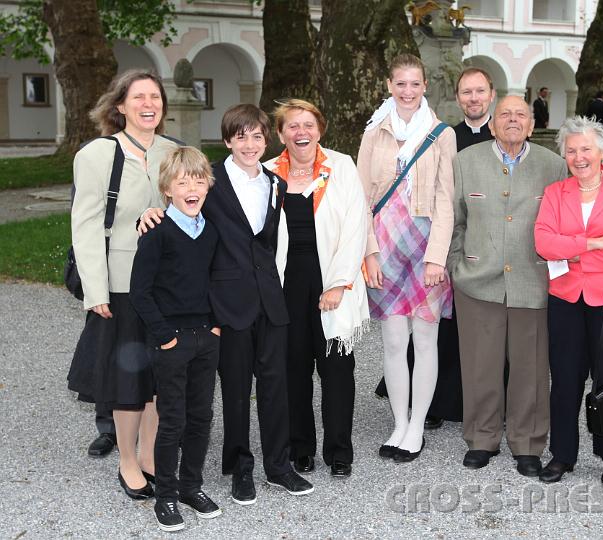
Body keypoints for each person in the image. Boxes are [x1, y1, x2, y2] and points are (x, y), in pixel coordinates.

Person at [139, 104, 313, 504]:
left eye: (256, 137)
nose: (249, 144)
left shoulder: (276, 183)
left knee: (275, 388)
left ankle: (278, 466)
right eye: (240, 137)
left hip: (271, 302)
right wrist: (150, 213)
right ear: (227, 141)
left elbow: (266, 243)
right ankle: (240, 467)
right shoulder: (211, 182)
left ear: (266, 140)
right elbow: (182, 205)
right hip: (228, 305)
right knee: (235, 391)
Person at [67, 69, 179, 499]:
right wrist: (96, 291)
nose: (149, 104)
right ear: (120, 106)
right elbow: (87, 227)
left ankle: (150, 455)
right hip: (122, 282)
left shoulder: (174, 152)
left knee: (157, 376)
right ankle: (128, 461)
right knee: (127, 379)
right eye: (139, 97)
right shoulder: (97, 155)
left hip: (168, 285)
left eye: (155, 96)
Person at [448, 95, 566, 476]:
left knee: (530, 368)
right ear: (493, 124)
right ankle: (481, 438)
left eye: (521, 115)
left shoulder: (554, 166)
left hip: (533, 282)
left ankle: (527, 441)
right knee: (480, 364)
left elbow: (564, 224)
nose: (512, 120)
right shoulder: (465, 162)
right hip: (478, 283)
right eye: (505, 115)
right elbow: (453, 220)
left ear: (532, 125)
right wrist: (456, 264)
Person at [374, 66, 497, 429]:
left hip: (485, 243)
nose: (473, 98)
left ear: (491, 93)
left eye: (479, 91)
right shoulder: (445, 136)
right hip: (443, 243)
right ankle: (438, 403)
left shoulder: (503, 135)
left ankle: (487, 404)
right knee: (439, 328)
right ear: (457, 97)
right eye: (466, 92)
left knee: (483, 328)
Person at [534, 116, 603, 489]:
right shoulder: (555, 193)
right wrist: (594, 243)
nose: (578, 156)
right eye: (571, 150)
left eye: (586, 149)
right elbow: (544, 244)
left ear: (602, 152)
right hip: (567, 297)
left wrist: (572, 251)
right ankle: (562, 454)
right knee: (564, 378)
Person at [358, 53, 456, 462]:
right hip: (385, 250)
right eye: (401, 84)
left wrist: (437, 257)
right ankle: (398, 422)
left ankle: (417, 425)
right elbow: (360, 201)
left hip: (425, 248)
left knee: (426, 340)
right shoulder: (373, 133)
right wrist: (369, 253)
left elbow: (446, 200)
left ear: (425, 86)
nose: (408, 91)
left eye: (415, 84)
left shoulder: (440, 133)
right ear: (389, 85)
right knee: (394, 341)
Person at [266, 99, 369, 478]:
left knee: (337, 370)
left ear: (320, 129)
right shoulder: (266, 174)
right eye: (292, 126)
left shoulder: (342, 166)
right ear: (281, 134)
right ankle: (301, 448)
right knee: (293, 368)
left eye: (308, 124)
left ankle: (340, 451)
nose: (301, 132)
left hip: (331, 282)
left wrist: (340, 283)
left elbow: (356, 226)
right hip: (285, 284)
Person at [130, 147, 221, 531]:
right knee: (173, 421)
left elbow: (217, 280)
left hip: (207, 337)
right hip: (171, 341)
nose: (191, 187)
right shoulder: (157, 232)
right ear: (167, 188)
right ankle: (165, 495)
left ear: (207, 186)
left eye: (198, 180)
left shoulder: (210, 230)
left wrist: (216, 324)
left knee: (201, 416)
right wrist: (165, 336)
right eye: (182, 181)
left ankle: (190, 486)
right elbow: (140, 291)